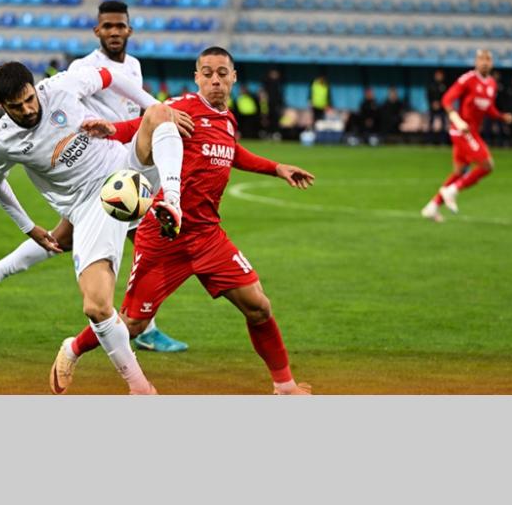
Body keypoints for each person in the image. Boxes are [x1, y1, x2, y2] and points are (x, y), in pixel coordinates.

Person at [50, 47, 315, 395]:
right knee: (133, 323)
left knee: (259, 307)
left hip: (208, 236)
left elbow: (232, 152)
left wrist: (276, 168)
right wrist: (111, 129)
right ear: (197, 78)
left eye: (222, 73)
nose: (215, 80)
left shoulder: (228, 119)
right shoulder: (182, 107)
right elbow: (143, 123)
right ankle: (73, 348)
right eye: (208, 73)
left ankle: (285, 387)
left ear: (234, 77)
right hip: (164, 235)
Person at [0, 1, 188, 352]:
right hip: (93, 170)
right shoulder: (81, 68)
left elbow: (121, 91)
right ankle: (143, 325)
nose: (114, 32)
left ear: (129, 29)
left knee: (63, 240)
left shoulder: (133, 66)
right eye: (107, 26)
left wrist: (151, 110)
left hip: (112, 162)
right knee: (143, 242)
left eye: (120, 26)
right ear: (97, 31)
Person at [421, 49, 512, 222]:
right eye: (481, 59)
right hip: (462, 130)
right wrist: (456, 119)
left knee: (459, 171)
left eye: (488, 59)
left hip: (472, 132)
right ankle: (452, 191)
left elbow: (488, 108)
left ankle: (432, 207)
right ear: (476, 62)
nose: (484, 62)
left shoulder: (491, 84)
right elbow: (447, 99)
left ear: (492, 63)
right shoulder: (467, 79)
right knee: (487, 165)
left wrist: (502, 117)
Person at [426, 69, 448, 144]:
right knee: (430, 124)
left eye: (440, 75)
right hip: (432, 108)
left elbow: (446, 97)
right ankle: (430, 141)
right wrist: (432, 104)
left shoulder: (444, 85)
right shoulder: (431, 85)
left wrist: (440, 104)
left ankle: (443, 141)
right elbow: (428, 96)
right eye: (438, 75)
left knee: (443, 125)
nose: (439, 77)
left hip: (442, 108)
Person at [263, 68, 284, 135]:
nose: (275, 75)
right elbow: (264, 94)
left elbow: (279, 95)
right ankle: (268, 132)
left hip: (276, 104)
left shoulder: (278, 83)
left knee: (275, 118)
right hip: (268, 104)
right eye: (274, 74)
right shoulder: (267, 83)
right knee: (267, 118)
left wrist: (280, 103)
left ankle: (275, 132)